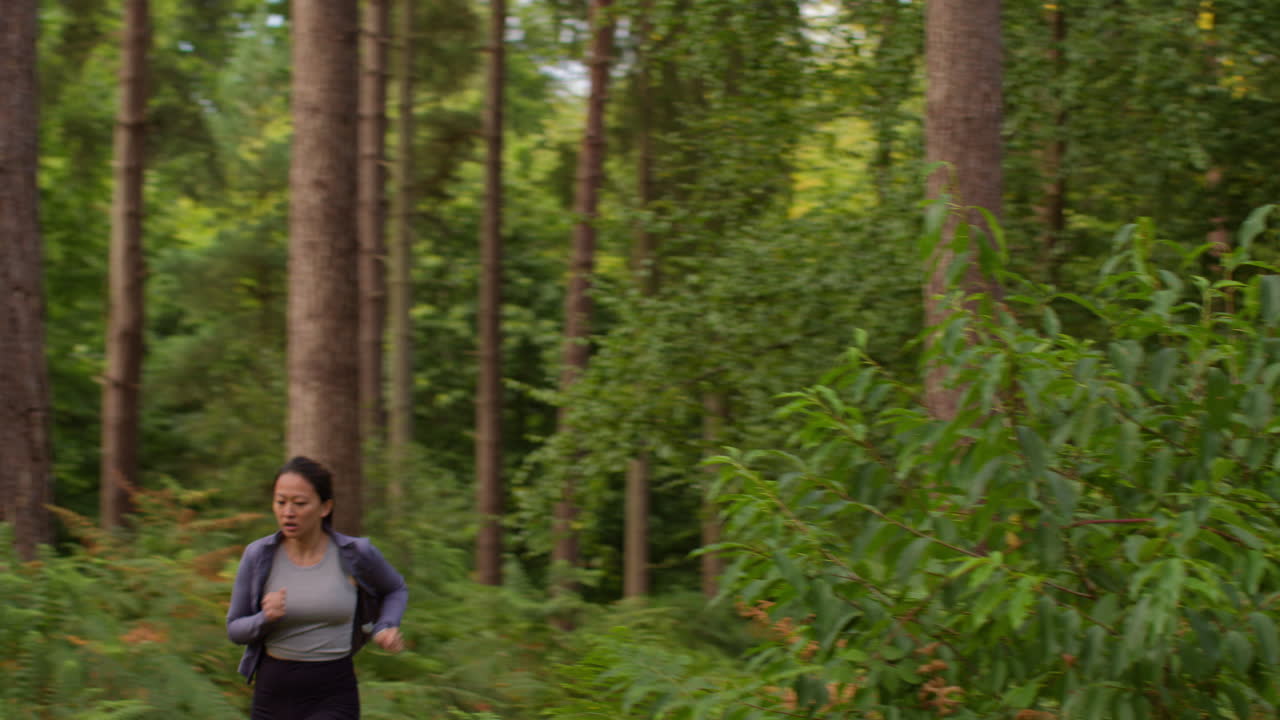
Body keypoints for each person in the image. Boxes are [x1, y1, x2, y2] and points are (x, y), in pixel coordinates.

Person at [227, 456, 408, 719]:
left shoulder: (355, 554)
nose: (288, 512)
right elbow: (235, 629)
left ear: (325, 507)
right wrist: (265, 619)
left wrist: (386, 625)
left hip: (332, 691)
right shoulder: (258, 556)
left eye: (299, 503)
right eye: (281, 502)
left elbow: (395, 588)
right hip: (272, 692)